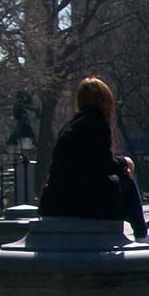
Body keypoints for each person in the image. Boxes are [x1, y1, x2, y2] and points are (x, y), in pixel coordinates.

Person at [38, 76, 128, 221]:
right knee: (126, 181)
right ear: (105, 101)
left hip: (55, 202)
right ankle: (141, 231)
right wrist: (124, 163)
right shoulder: (97, 124)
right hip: (82, 203)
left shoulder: (71, 126)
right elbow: (105, 165)